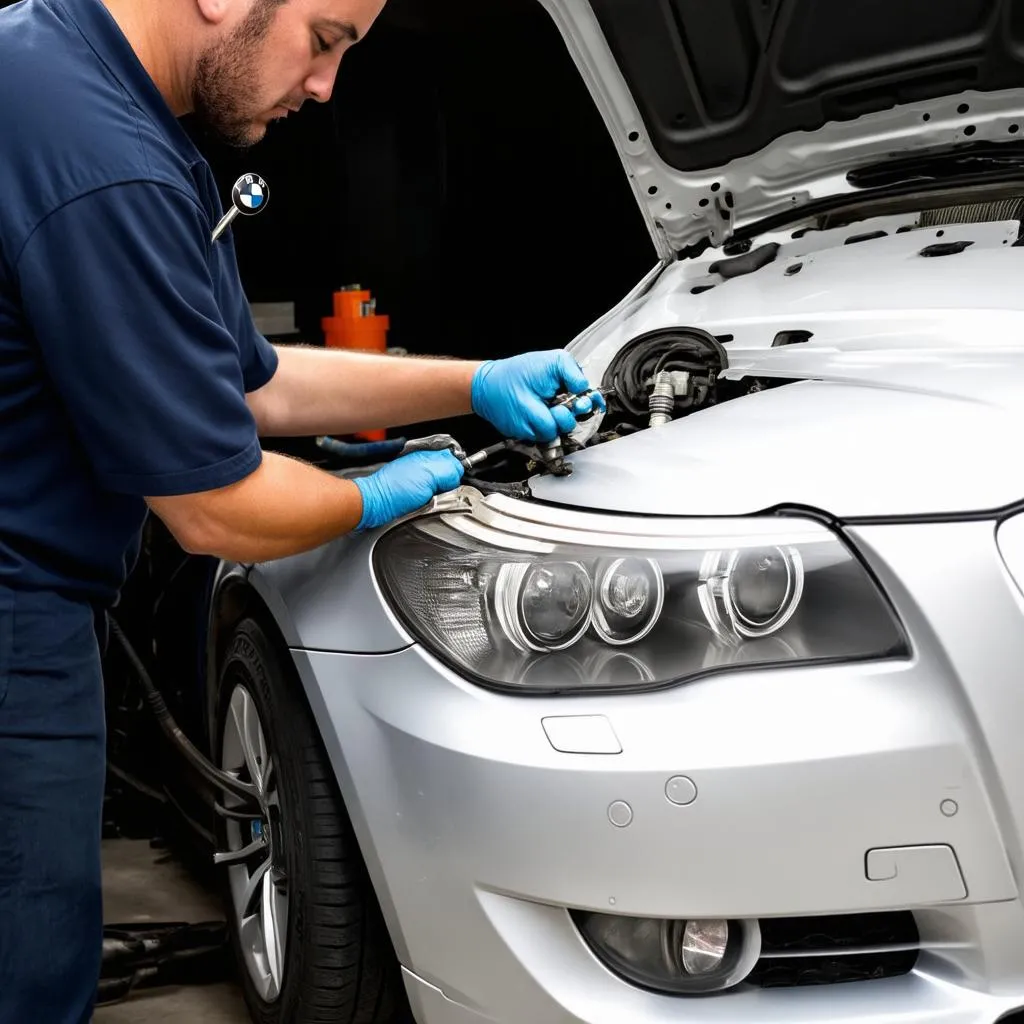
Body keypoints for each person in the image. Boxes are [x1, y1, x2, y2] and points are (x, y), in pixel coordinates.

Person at [0, 0, 602, 1018]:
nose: (325, 87)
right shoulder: (106, 158)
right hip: (15, 618)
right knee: (28, 972)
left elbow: (253, 383)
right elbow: (215, 508)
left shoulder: (72, 79)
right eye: (325, 39)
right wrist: (372, 495)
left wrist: (474, 379)